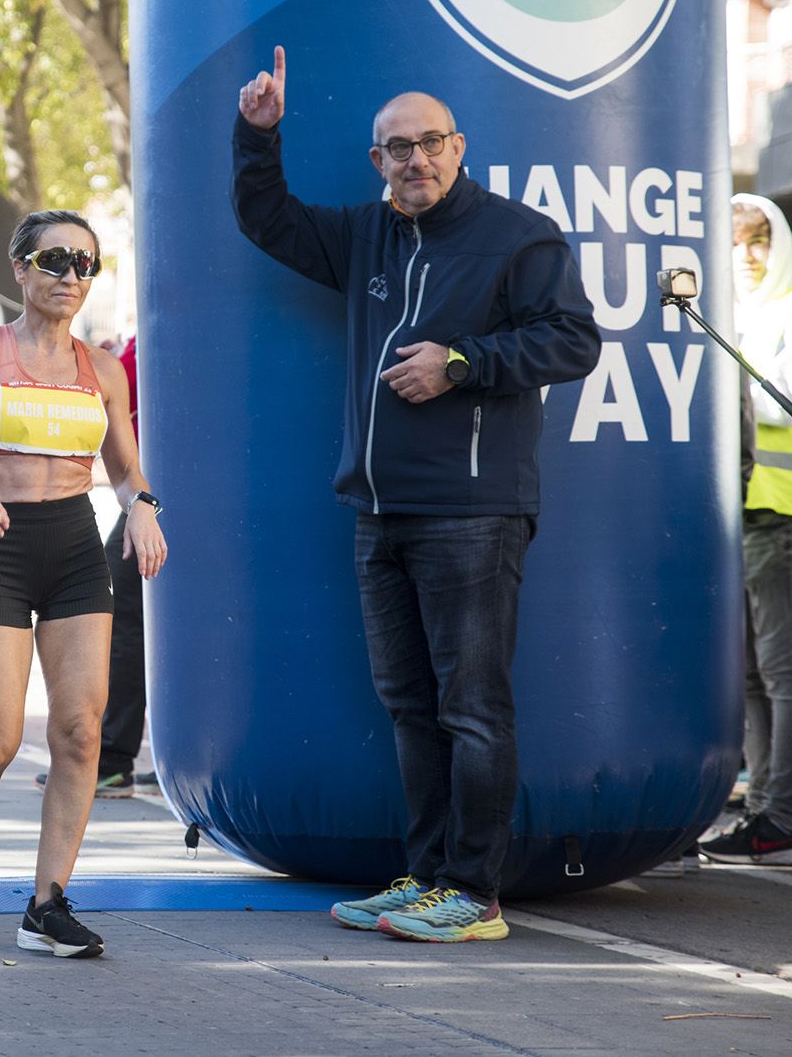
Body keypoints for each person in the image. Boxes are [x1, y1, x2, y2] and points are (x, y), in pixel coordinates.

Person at [232, 49, 602, 941]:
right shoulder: (367, 233)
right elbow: (268, 220)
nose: (416, 160)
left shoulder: (519, 236)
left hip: (472, 515)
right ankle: (430, 876)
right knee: (410, 708)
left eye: (431, 142)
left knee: (472, 710)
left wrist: (462, 362)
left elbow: (574, 341)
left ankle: (474, 893)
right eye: (398, 148)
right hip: (379, 513)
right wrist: (257, 135)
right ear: (378, 161)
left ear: (458, 147)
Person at [0, 209, 167, 959]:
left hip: (75, 548)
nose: (70, 277)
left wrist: (144, 507)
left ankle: (46, 904)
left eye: (85, 264)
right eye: (55, 260)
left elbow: (126, 471)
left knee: (81, 732)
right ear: (20, 268)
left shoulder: (103, 369)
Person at [699, 194, 792, 866]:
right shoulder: (731, 314)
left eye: (759, 240)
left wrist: (720, 375)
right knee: (752, 672)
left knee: (782, 668)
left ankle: (780, 819)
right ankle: (761, 811)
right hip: (737, 507)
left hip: (781, 509)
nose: (748, 255)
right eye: (736, 242)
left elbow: (785, 398)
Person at [34, 334, 157, 799]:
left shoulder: (154, 339)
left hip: (161, 490)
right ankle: (116, 755)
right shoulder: (137, 342)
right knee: (131, 615)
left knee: (125, 615)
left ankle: (111, 757)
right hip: (150, 488)